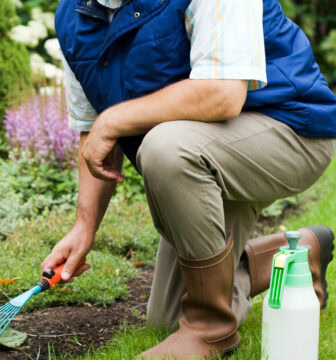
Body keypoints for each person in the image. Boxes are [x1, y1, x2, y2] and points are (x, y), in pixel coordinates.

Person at [40, 0, 336, 358]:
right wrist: (83, 227)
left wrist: (113, 121)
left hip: (291, 127)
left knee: (165, 148)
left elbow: (222, 94)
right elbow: (94, 132)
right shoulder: (73, 16)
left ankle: (210, 328)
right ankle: (296, 257)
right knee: (167, 319)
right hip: (206, 146)